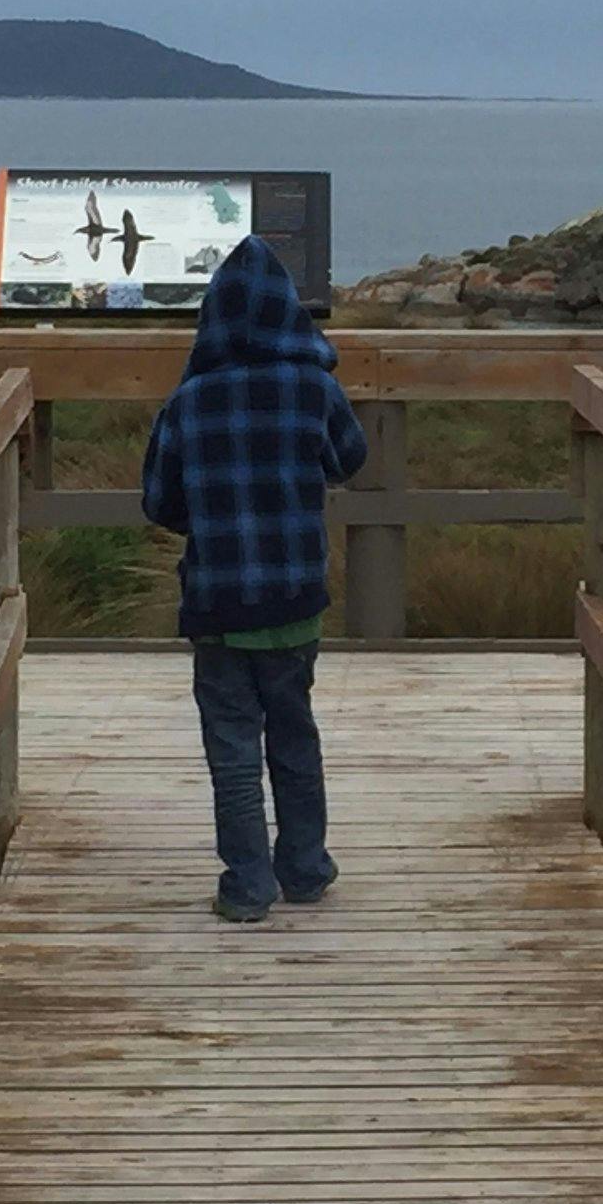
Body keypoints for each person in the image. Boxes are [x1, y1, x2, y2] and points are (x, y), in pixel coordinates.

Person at [138, 236, 368, 921]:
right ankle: (305, 865)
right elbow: (350, 457)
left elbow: (160, 501)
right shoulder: (313, 386)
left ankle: (248, 883)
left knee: (233, 746)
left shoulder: (191, 400)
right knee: (294, 732)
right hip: (294, 597)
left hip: (218, 602)